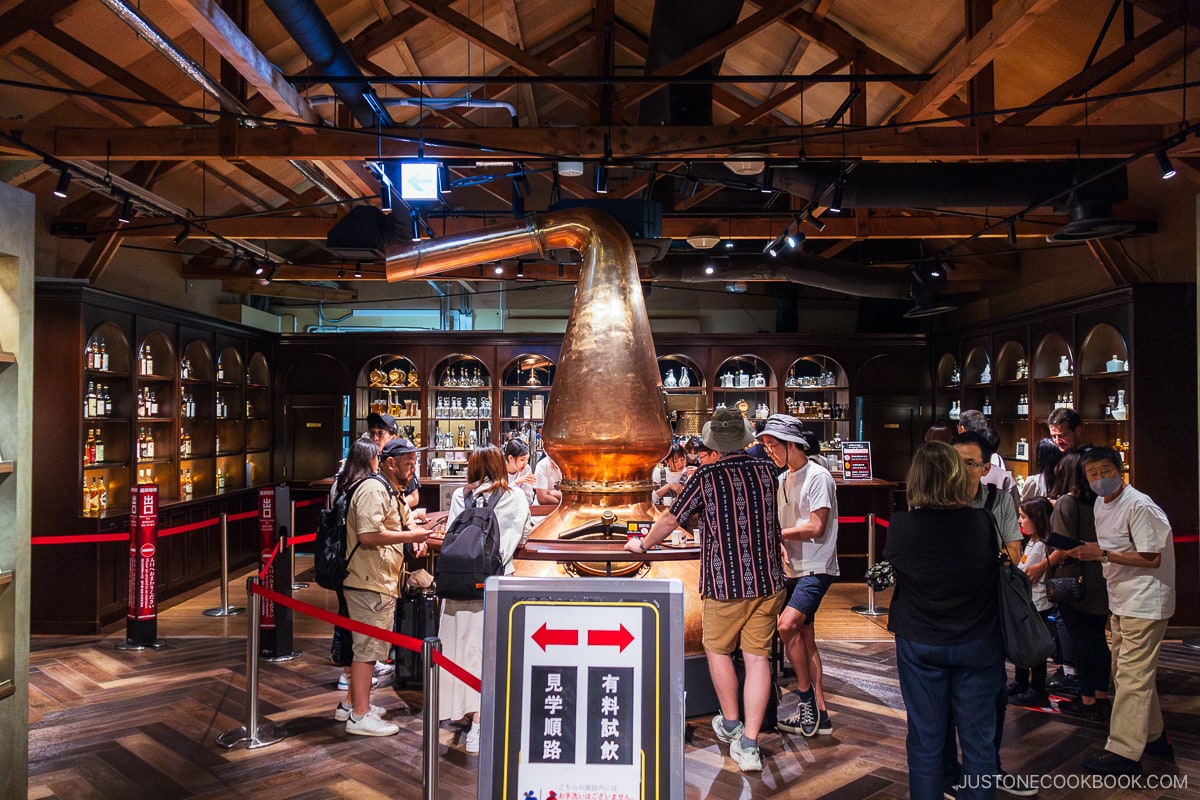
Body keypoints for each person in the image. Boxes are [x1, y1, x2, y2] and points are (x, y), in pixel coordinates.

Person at [625, 407, 784, 773]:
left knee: (717, 651)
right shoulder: (766, 470)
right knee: (758, 659)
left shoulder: (706, 476)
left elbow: (670, 518)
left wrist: (643, 545)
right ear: (744, 439)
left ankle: (731, 723)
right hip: (767, 581)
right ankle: (750, 743)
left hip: (725, 582)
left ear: (714, 443)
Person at [884, 442, 1004, 800]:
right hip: (977, 641)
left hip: (919, 640)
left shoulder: (901, 525)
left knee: (925, 738)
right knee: (980, 743)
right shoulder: (981, 522)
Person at [1069, 447, 1176, 776]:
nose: (1100, 479)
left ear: (1120, 470)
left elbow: (1151, 557)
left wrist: (1100, 553)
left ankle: (1124, 753)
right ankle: (1154, 737)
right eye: (1093, 474)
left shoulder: (1140, 505)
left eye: (1105, 471)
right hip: (1123, 599)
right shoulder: (1102, 503)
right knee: (1128, 673)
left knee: (1131, 676)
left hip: (1145, 601)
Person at [439, 445, 532, 754]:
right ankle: (481, 725)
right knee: (487, 656)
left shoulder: (460, 496)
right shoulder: (513, 496)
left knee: (461, 654)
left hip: (457, 586)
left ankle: (463, 715)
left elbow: (452, 535)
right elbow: (522, 534)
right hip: (494, 584)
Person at [340, 437, 431, 736]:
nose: (413, 469)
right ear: (390, 463)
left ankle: (350, 704)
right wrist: (411, 537)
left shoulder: (392, 490)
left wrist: (414, 537)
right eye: (408, 463)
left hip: (379, 580)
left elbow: (401, 526)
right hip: (368, 581)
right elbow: (368, 535)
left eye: (414, 463)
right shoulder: (373, 489)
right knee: (367, 650)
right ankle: (360, 716)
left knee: (366, 647)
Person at [756, 414, 838, 738]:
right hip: (793, 569)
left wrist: (777, 535)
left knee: (787, 625)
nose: (769, 452)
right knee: (804, 636)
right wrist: (779, 545)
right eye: (765, 446)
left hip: (817, 567)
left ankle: (803, 697)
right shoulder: (781, 480)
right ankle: (821, 713)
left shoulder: (818, 476)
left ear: (792, 444)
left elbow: (817, 526)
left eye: (773, 445)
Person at [1043, 451, 1109, 715]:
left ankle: (1088, 700)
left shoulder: (1067, 503)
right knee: (1098, 641)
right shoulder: (1103, 502)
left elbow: (1063, 544)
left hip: (1074, 581)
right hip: (1101, 579)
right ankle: (1101, 696)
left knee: (1081, 642)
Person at [1008, 498, 1055, 707]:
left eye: (1023, 517)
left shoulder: (1041, 546)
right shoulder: (1033, 542)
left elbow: (1025, 574)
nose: (1020, 521)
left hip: (1037, 604)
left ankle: (1036, 688)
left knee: (1034, 649)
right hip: (1028, 602)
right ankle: (1021, 682)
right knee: (1024, 644)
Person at [368, 411, 420, 507]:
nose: (375, 438)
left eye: (380, 433)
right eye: (372, 433)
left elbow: (414, 497)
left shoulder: (401, 462)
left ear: (393, 437)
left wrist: (392, 507)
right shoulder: (365, 461)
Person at [502, 438, 536, 504]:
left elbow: (528, 498)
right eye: (522, 460)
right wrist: (516, 482)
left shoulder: (526, 469)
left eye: (527, 459)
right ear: (510, 458)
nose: (525, 463)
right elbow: (498, 499)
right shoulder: (499, 470)